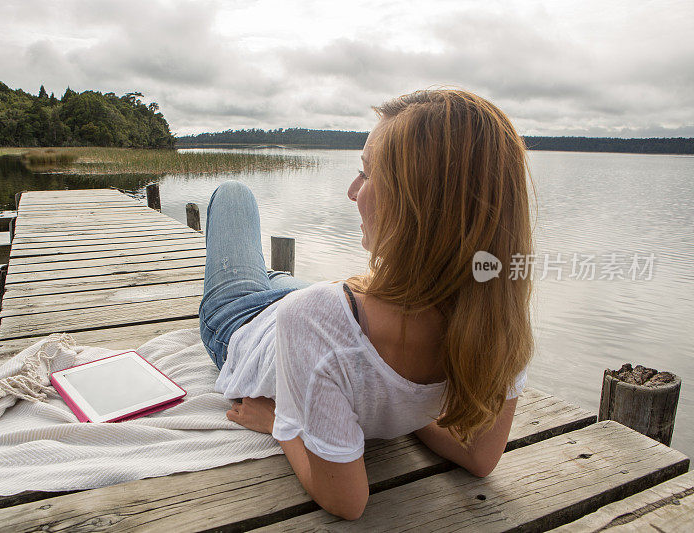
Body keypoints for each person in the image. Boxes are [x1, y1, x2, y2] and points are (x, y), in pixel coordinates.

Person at [198, 89, 533, 521]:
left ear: (416, 206)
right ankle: (273, 276)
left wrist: (280, 423)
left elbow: (345, 502)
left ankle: (263, 270)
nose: (352, 191)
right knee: (283, 277)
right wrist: (408, 410)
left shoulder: (320, 319)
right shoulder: (500, 319)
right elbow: (479, 456)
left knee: (233, 192)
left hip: (243, 320)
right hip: (306, 308)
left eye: (366, 173)